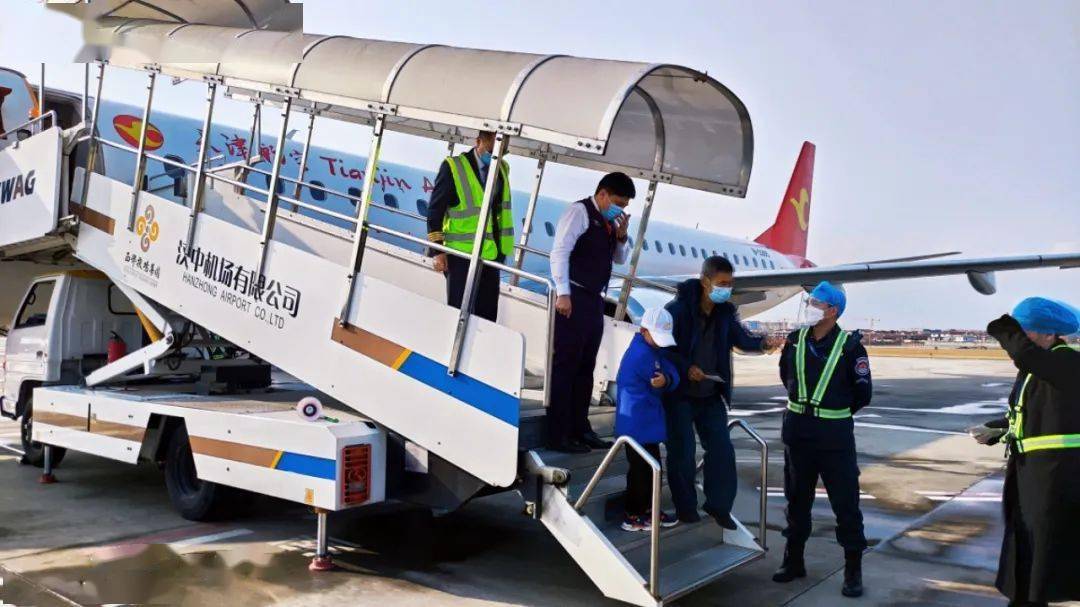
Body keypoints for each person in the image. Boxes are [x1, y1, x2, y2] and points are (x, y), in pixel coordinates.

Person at [968, 297, 1079, 607]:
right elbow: (1035, 414)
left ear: (1048, 333)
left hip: (1056, 478)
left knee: (1043, 551)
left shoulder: (1067, 362)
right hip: (1033, 475)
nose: (1022, 338)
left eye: (1026, 330)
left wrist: (1004, 327)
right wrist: (997, 429)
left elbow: (1024, 354)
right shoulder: (1040, 368)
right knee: (1028, 547)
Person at [663, 256, 783, 527]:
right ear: (705, 281)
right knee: (682, 454)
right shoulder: (677, 310)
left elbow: (742, 339)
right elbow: (664, 349)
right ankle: (686, 508)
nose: (727, 289)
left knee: (722, 451)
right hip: (680, 395)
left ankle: (719, 507)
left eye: (730, 284)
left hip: (710, 394)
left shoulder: (726, 313)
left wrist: (763, 343)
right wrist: (686, 367)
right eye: (722, 283)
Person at [772, 281, 870, 598]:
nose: (810, 307)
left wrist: (831, 409)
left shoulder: (850, 346)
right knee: (797, 500)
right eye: (810, 301)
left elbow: (862, 393)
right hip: (798, 433)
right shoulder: (795, 341)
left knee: (846, 504)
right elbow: (785, 374)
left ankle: (852, 569)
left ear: (833, 311)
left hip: (834, 437)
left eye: (817, 303)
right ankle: (793, 560)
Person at [546, 172, 635, 453]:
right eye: (619, 202)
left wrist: (621, 238)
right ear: (603, 194)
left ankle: (580, 428)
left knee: (586, 367)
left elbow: (619, 260)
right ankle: (558, 433)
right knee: (566, 366)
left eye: (625, 205)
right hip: (574, 296)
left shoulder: (609, 225)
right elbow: (559, 252)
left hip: (594, 300)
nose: (621, 209)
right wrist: (563, 293)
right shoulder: (579, 213)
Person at [426, 131, 513, 322]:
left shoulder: (503, 169)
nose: (496, 156)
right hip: (460, 255)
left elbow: (498, 213)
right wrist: (437, 250)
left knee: (487, 316)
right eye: (492, 151)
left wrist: (500, 254)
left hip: (490, 256)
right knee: (458, 312)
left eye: (502, 152)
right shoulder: (453, 167)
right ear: (478, 142)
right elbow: (435, 211)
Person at [614, 307, 681, 531]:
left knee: (650, 470)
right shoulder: (642, 355)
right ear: (644, 331)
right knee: (641, 473)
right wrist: (667, 381)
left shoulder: (651, 350)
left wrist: (669, 379)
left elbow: (671, 372)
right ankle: (632, 515)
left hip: (645, 424)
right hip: (636, 424)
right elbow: (665, 376)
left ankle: (647, 510)